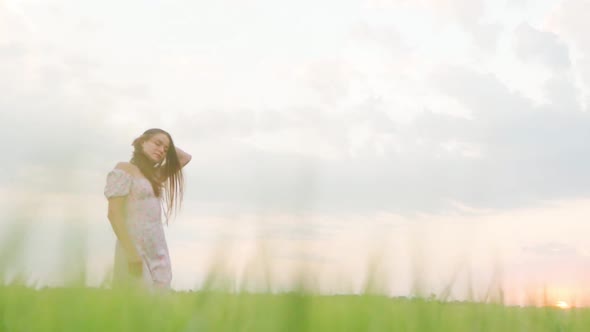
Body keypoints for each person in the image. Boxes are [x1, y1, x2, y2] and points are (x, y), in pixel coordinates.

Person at [104, 128, 191, 289]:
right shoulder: (124, 169)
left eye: (166, 149)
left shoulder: (155, 176)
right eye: (157, 144)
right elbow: (114, 213)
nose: (161, 151)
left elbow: (185, 157)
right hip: (133, 248)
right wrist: (131, 254)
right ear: (142, 141)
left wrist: (166, 143)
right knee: (135, 305)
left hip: (158, 250)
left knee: (159, 307)